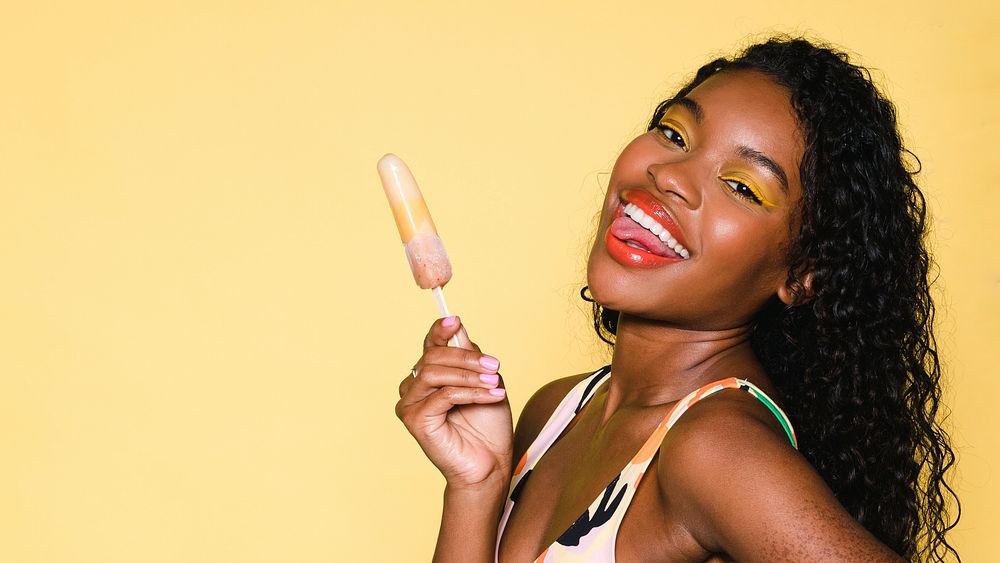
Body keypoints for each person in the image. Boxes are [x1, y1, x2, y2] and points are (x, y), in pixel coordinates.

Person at [394, 37, 960, 562]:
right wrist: (477, 484)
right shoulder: (556, 413)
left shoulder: (714, 448)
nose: (671, 175)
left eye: (742, 187)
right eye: (674, 134)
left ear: (803, 274)